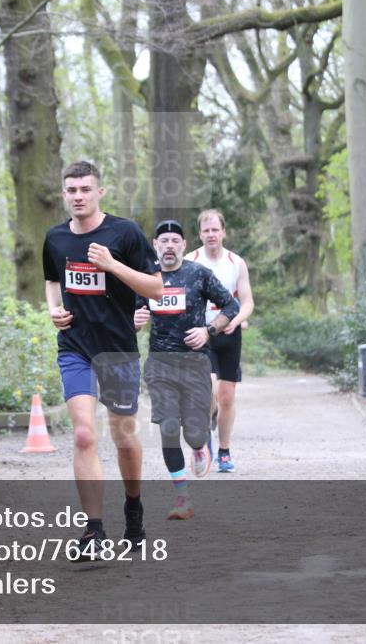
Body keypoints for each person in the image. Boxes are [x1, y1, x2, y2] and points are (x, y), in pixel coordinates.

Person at [42, 160, 163, 560]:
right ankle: (94, 530)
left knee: (123, 437)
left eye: (85, 189)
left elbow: (157, 289)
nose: (78, 196)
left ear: (100, 192)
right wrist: (54, 309)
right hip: (75, 347)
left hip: (118, 349)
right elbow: (52, 280)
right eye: (71, 190)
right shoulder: (55, 238)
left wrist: (112, 265)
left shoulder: (124, 233)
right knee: (83, 434)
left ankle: (133, 507)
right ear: (64, 194)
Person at [134, 220, 238, 520]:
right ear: (155, 245)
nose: (169, 246)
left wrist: (208, 331)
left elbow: (231, 306)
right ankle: (182, 497)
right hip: (160, 364)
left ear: (183, 245)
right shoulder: (145, 277)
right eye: (163, 241)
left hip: (195, 363)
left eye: (174, 241)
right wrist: (134, 320)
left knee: (194, 434)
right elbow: (131, 314)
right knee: (168, 428)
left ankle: (200, 440)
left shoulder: (198, 274)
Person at [187, 209, 254, 473]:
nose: (211, 234)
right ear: (200, 234)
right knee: (208, 391)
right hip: (200, 334)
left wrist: (236, 320)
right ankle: (205, 444)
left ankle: (224, 451)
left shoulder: (236, 263)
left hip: (228, 334)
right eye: (206, 230)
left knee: (226, 396)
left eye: (215, 230)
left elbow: (247, 302)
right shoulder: (189, 261)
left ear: (224, 232)